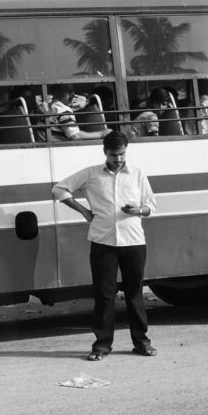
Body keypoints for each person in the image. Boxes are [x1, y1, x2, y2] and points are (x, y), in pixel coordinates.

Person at [52, 130, 157, 362]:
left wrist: (138, 210)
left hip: (134, 241)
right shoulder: (91, 174)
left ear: (126, 151)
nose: (118, 159)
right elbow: (58, 189)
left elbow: (151, 206)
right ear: (105, 152)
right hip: (103, 243)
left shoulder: (137, 174)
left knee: (135, 294)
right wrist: (84, 211)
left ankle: (142, 342)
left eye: (121, 154)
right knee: (104, 296)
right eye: (113, 155)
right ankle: (101, 345)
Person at [45, 84, 111, 141]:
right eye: (68, 91)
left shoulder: (51, 105)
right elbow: (75, 136)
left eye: (73, 91)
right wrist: (101, 134)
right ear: (57, 93)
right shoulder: (62, 109)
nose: (73, 94)